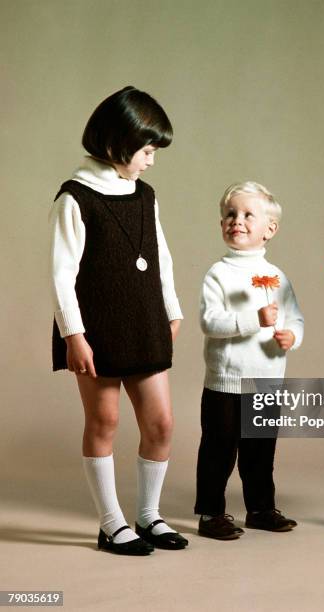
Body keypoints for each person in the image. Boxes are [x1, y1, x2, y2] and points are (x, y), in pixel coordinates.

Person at [49, 86, 188, 555]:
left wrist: (172, 310)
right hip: (96, 330)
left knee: (162, 424)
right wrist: (74, 335)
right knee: (104, 420)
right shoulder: (76, 197)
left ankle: (148, 516)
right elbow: (61, 275)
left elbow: (161, 258)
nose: (151, 160)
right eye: (147, 150)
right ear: (117, 143)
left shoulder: (145, 194)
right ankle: (111, 523)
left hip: (146, 321)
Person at [195, 181, 304, 540]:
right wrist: (253, 320)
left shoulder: (278, 277)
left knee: (260, 450)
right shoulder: (219, 274)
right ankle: (211, 513)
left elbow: (295, 318)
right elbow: (210, 322)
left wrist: (292, 336)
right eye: (229, 214)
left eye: (247, 215)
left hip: (266, 378)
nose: (236, 221)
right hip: (226, 380)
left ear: (270, 229)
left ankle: (260, 508)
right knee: (219, 449)